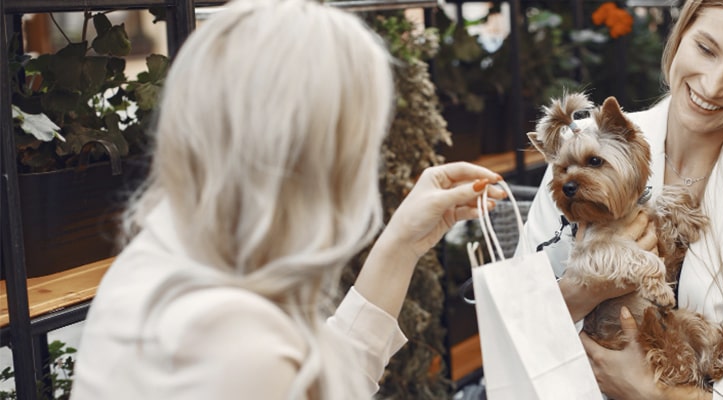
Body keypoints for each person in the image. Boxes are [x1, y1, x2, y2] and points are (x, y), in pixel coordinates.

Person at [70, 0, 504, 398]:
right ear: (315, 156)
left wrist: (402, 244)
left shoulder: (168, 257)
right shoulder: (229, 341)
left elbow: (318, 376)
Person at [517, 0, 723, 399]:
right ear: (681, 31)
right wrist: (581, 292)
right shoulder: (587, 150)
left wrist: (665, 396)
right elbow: (518, 331)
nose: (712, 86)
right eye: (706, 49)